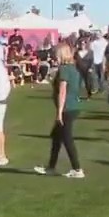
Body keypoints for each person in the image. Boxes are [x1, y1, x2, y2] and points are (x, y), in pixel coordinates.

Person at [34, 44, 85, 178]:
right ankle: (51, 167)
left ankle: (77, 169)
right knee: (56, 138)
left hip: (67, 108)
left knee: (67, 139)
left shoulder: (64, 69)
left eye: (56, 54)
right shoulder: (73, 68)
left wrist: (59, 113)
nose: (54, 57)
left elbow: (63, 91)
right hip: (74, 106)